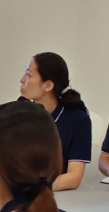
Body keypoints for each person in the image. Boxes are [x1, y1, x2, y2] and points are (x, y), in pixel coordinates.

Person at [19, 52, 92, 191]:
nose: (22, 80)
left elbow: (74, 178)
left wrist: (33, 189)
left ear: (48, 85)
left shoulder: (78, 120)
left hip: (58, 197)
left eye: (29, 74)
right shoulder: (21, 115)